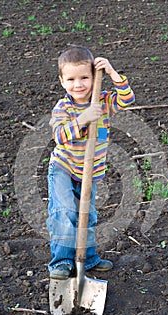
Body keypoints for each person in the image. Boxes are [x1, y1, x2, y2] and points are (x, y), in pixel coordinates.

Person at [47, 45, 135, 279]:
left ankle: (87, 259)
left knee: (88, 215)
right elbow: (59, 136)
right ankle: (62, 262)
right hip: (64, 168)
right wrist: (84, 118)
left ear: (94, 77)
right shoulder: (63, 107)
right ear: (62, 81)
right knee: (64, 212)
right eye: (71, 79)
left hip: (91, 172)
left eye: (85, 77)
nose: (79, 84)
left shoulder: (104, 102)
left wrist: (113, 72)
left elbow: (127, 99)